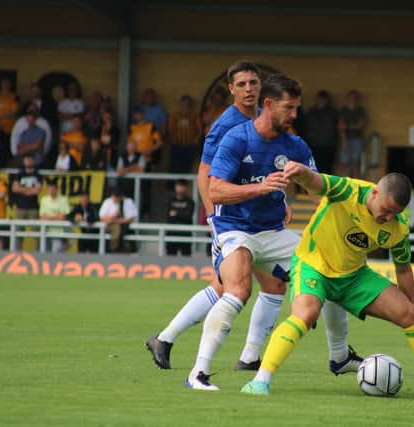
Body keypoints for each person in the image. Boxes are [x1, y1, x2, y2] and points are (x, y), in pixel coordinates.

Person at [147, 64, 357, 380]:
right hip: (231, 221)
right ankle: (193, 358)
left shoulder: (282, 130)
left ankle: (239, 354)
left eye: (254, 82)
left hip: (265, 223)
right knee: (234, 288)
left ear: (262, 90)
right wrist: (213, 217)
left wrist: (282, 199)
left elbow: (298, 179)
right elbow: (207, 174)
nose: (249, 88)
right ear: (231, 89)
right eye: (242, 83)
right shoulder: (227, 127)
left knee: (268, 283)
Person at [242, 166, 414, 400]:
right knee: (305, 314)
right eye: (386, 210)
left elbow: (403, 270)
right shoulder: (348, 191)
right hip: (314, 265)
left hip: (354, 276)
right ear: (374, 193)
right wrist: (300, 171)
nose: (388, 217)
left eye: (395, 213)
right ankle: (260, 381)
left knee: (410, 316)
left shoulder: (398, 227)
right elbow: (315, 181)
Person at [11, 154, 43, 248]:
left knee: (36, 233)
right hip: (20, 207)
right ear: (24, 161)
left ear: (33, 161)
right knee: (18, 232)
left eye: (30, 159)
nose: (28, 161)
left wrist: (22, 189)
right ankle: (16, 252)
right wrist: (30, 190)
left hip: (33, 208)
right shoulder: (19, 174)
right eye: (26, 159)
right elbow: (14, 188)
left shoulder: (38, 175)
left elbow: (37, 190)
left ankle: (38, 253)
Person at [304, 90, 339, 174]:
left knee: (328, 169)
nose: (321, 101)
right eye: (320, 99)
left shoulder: (332, 112)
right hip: (314, 145)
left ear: (327, 100)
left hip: (328, 145)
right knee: (315, 169)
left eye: (323, 99)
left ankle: (329, 187)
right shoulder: (311, 112)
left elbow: (338, 127)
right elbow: (306, 127)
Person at [168, 95, 201, 174]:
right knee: (175, 167)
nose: (185, 105)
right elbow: (170, 129)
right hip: (177, 146)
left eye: (187, 103)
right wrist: (172, 141)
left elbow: (200, 129)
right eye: (183, 103)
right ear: (180, 104)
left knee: (187, 167)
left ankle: (184, 185)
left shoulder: (194, 116)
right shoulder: (175, 116)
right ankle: (173, 185)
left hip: (190, 146)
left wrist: (196, 139)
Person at [99, 186, 138, 253]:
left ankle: (120, 248)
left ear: (121, 196)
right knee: (116, 228)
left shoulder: (128, 202)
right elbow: (102, 218)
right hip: (111, 226)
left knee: (120, 229)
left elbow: (131, 218)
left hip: (125, 227)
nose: (115, 198)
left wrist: (117, 221)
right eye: (114, 196)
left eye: (117, 197)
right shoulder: (107, 202)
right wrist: (113, 216)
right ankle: (113, 249)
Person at [339, 90, 366, 178]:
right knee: (345, 162)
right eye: (351, 98)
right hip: (345, 138)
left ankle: (355, 183)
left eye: (354, 98)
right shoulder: (343, 110)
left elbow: (360, 125)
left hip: (357, 139)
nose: (352, 99)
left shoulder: (360, 110)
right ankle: (345, 183)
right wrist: (344, 141)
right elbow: (341, 126)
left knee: (356, 163)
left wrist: (348, 127)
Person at [0, 77, 20, 153]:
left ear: (10, 85)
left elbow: (14, 111)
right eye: (3, 82)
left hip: (7, 128)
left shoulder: (14, 96)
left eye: (7, 83)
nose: (5, 85)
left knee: (3, 148)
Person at [39, 181, 70, 253]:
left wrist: (49, 217)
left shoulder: (64, 199)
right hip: (45, 231)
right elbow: (42, 217)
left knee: (56, 253)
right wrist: (56, 216)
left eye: (53, 189)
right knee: (44, 253)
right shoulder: (44, 200)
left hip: (59, 232)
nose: (51, 191)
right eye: (49, 189)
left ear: (57, 189)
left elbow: (62, 217)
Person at [166, 179, 195, 256]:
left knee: (186, 258)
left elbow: (188, 217)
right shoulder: (170, 200)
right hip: (172, 234)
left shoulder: (190, 201)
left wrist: (176, 214)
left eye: (182, 186)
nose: (180, 188)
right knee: (170, 258)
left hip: (185, 234)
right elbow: (168, 217)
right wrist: (182, 213)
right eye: (178, 186)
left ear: (186, 188)